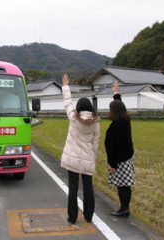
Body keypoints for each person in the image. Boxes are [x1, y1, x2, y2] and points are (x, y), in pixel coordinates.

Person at [61, 73, 100, 224]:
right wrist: (92, 157)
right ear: (90, 108)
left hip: (72, 160)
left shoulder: (73, 117)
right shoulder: (96, 122)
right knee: (88, 188)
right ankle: (89, 217)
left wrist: (65, 86)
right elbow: (95, 144)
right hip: (88, 159)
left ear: (79, 108)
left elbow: (67, 102)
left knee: (73, 189)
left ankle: (72, 217)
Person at [105, 83, 135, 218]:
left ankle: (124, 209)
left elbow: (111, 147)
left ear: (114, 112)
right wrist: (116, 93)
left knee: (121, 185)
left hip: (118, 161)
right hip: (128, 158)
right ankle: (125, 208)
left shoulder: (115, 127)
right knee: (126, 185)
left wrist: (112, 165)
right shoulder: (125, 119)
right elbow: (120, 105)